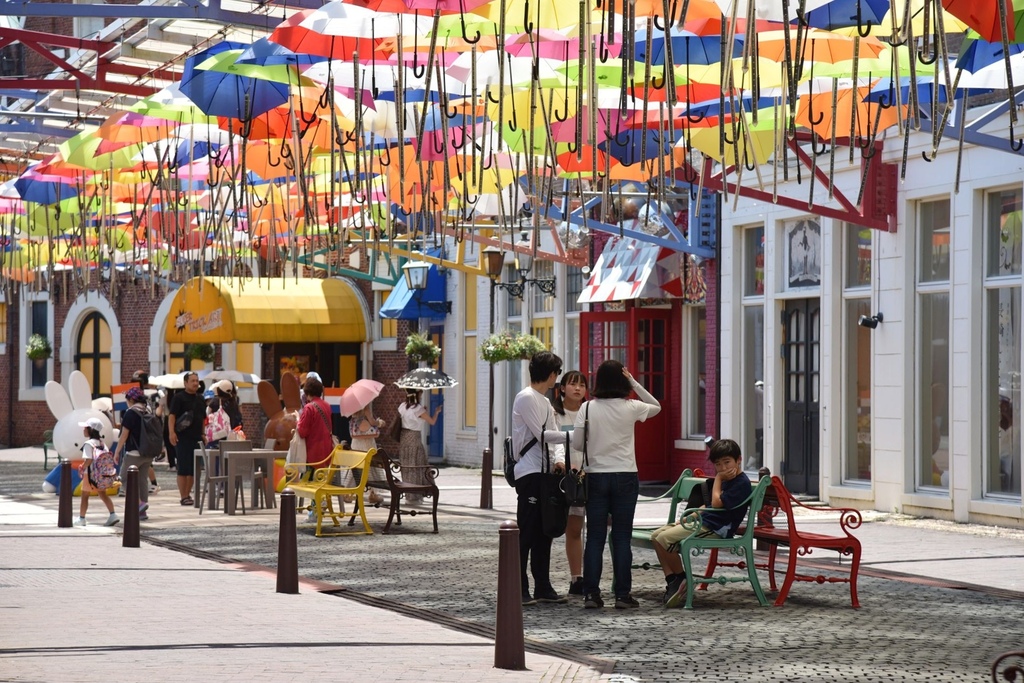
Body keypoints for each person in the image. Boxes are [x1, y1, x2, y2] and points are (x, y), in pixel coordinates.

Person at [571, 360, 661, 610]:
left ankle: (591, 594)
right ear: (622, 381)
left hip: (596, 476)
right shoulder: (631, 406)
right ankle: (622, 595)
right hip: (625, 476)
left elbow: (577, 444)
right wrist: (633, 382)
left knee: (595, 538)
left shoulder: (587, 408)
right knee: (621, 537)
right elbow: (656, 406)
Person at [651, 438, 753, 608]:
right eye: (718, 465)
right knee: (656, 536)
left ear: (739, 459)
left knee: (665, 540)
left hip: (717, 529)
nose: (723, 468)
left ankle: (683, 579)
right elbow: (712, 505)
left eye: (727, 462)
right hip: (705, 521)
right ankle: (674, 580)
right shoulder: (729, 480)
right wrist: (695, 514)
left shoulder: (741, 483)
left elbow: (719, 503)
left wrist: (718, 478)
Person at [512, 351, 569, 607]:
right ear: (551, 374)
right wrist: (574, 436)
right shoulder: (525, 397)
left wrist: (560, 458)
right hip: (529, 472)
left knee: (545, 532)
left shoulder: (545, 402)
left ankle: (543, 586)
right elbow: (543, 434)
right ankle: (519, 588)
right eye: (556, 372)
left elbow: (554, 436)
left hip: (545, 473)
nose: (557, 377)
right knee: (527, 532)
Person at [551, 370, 588, 596]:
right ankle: (576, 577)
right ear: (562, 388)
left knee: (586, 529)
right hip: (566, 479)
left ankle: (585, 579)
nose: (578, 388)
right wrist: (560, 461)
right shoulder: (556, 414)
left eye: (582, 385)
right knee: (572, 529)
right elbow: (555, 441)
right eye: (573, 384)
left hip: (589, 476)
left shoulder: (590, 412)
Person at [112, 387, 156, 521]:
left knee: (124, 478)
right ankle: (142, 512)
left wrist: (117, 451)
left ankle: (139, 504)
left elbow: (124, 435)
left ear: (131, 399)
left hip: (134, 452)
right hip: (148, 452)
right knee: (142, 480)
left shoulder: (131, 413)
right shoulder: (147, 410)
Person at [168, 371, 206, 506]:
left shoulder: (201, 399)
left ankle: (188, 494)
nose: (196, 383)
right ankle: (183, 495)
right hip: (182, 438)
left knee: (194, 469)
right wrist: (171, 433)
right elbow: (172, 416)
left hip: (196, 437)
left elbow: (202, 418)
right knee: (183, 468)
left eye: (197, 380)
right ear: (185, 383)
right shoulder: (179, 398)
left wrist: (203, 433)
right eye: (193, 381)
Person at [397, 389, 442, 503]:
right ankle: (416, 495)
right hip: (414, 439)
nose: (421, 398)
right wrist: (436, 412)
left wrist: (423, 412)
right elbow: (432, 422)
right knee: (417, 466)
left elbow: (411, 417)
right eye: (420, 396)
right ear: (417, 396)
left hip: (404, 438)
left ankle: (409, 495)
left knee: (407, 466)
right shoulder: (419, 409)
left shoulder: (402, 406)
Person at [74, 417, 120, 527]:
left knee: (85, 495)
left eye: (85, 427)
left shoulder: (88, 444)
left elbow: (88, 460)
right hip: (101, 475)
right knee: (103, 494)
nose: (83, 430)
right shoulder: (102, 443)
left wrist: (82, 466)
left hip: (89, 475)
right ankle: (113, 514)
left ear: (91, 429)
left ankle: (81, 518)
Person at [350, 399, 385, 505]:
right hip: (367, 442)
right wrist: (380, 422)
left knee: (357, 466)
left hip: (356, 442)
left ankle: (349, 493)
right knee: (371, 467)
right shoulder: (366, 408)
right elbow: (373, 422)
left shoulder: (353, 410)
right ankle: (373, 494)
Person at [297, 377, 335, 470]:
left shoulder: (309, 408)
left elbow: (302, 431)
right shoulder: (327, 405)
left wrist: (297, 420)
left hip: (313, 452)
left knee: (309, 482)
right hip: (327, 450)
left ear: (307, 392)